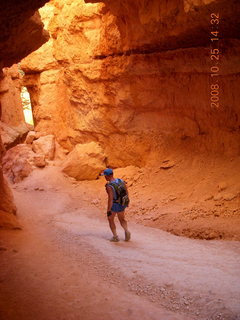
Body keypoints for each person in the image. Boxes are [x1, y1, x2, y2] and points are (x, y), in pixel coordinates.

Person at [101, 168, 131, 242]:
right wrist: (126, 202)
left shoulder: (109, 186)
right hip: (122, 203)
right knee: (122, 219)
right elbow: (126, 192)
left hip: (114, 204)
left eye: (105, 176)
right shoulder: (121, 181)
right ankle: (126, 231)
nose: (104, 177)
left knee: (110, 219)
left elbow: (110, 198)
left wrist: (108, 210)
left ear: (107, 176)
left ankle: (115, 237)